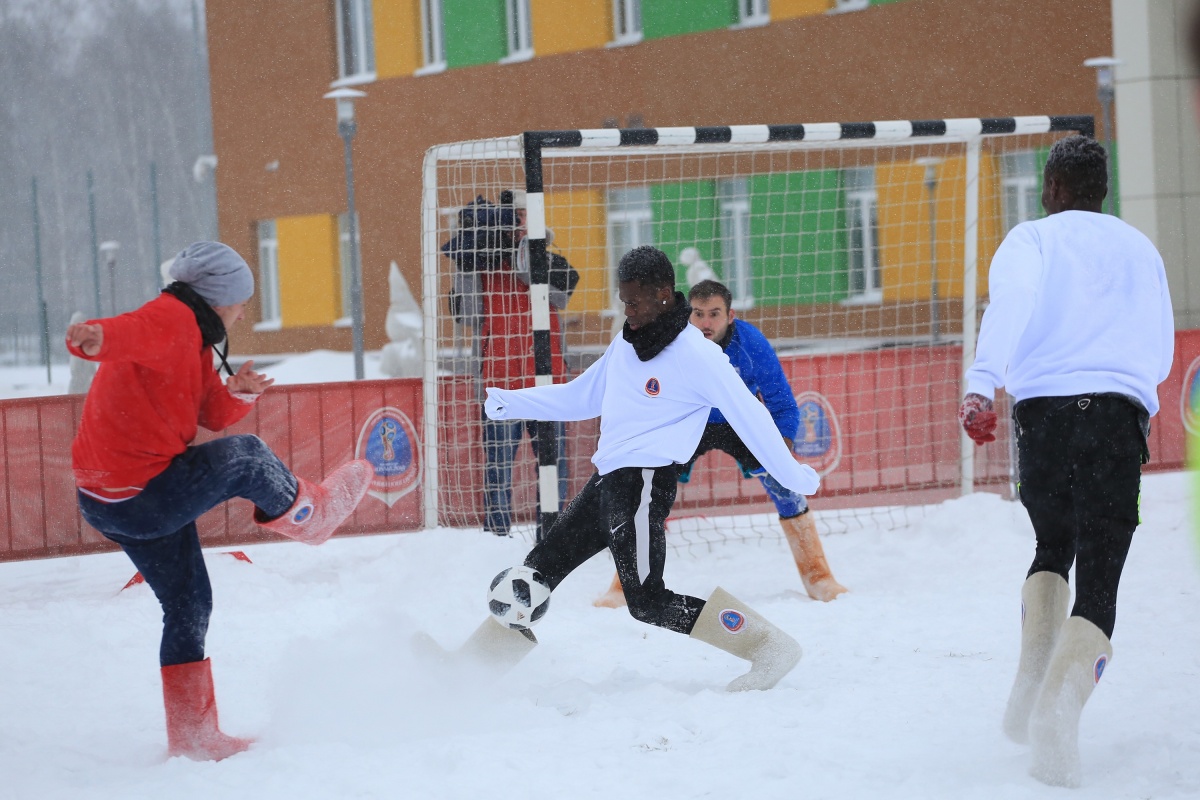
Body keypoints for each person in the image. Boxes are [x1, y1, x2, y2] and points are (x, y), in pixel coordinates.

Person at [423, 246, 820, 692]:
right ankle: (468, 674)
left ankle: (768, 647)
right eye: (623, 300)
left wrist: (789, 472)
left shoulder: (699, 356)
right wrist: (511, 401)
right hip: (609, 480)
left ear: (665, 295)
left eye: (635, 301)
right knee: (535, 573)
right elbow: (583, 396)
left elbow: (750, 415)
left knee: (647, 603)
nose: (627, 311)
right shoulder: (628, 342)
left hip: (646, 482)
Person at [67, 241, 373, 761]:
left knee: (189, 606)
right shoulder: (171, 318)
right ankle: (311, 515)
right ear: (217, 297)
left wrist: (239, 391)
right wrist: (94, 339)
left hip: (111, 499)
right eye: (240, 300)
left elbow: (209, 413)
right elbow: (128, 331)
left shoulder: (195, 339)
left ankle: (193, 736)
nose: (243, 311)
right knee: (246, 459)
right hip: (141, 495)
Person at [957, 136, 1174, 787]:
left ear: (1052, 188)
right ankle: (1061, 710)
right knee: (1101, 579)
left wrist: (982, 381)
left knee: (1052, 543)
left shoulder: (1032, 240)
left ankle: (1032, 674)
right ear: (1102, 190)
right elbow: (1159, 346)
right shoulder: (1141, 248)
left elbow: (1013, 306)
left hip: (1043, 416)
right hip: (1115, 416)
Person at [593, 278, 846, 608]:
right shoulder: (669, 344)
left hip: (739, 422)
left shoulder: (752, 343)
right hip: (687, 422)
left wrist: (782, 446)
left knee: (785, 485)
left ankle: (819, 577)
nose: (706, 323)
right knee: (647, 494)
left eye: (714, 314)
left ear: (731, 316)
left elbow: (780, 398)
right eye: (698, 314)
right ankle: (625, 585)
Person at [441, 191, 574, 536]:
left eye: (518, 220)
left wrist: (532, 249)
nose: (515, 227)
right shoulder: (480, 267)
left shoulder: (547, 259)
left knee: (553, 467)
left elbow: (559, 293)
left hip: (548, 382)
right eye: (512, 220)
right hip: (500, 384)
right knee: (497, 468)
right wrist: (467, 262)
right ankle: (496, 534)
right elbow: (465, 315)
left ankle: (553, 533)